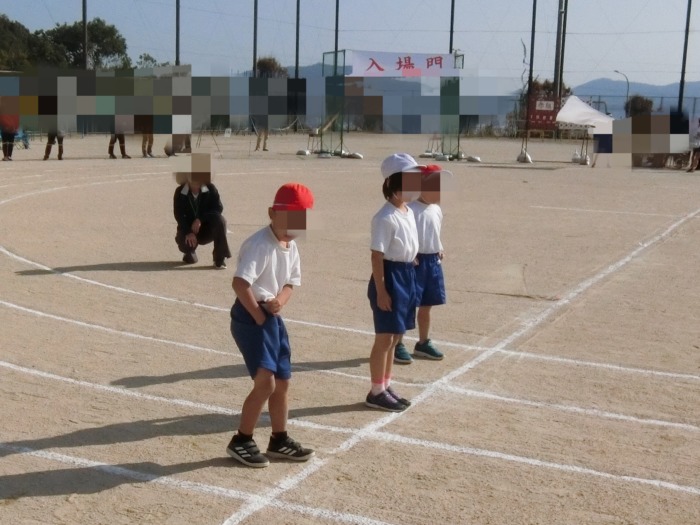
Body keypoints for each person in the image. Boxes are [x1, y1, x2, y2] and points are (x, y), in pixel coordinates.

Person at [226, 182, 316, 468]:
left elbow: (291, 282)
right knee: (265, 383)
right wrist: (259, 315)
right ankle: (242, 439)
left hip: (272, 316)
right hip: (252, 316)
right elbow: (240, 283)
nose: (293, 225)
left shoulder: (291, 245)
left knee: (283, 381)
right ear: (272, 213)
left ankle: (279, 439)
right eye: (288, 216)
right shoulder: (259, 244)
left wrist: (280, 301)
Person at [365, 153, 422, 412]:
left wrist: (412, 259)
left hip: (406, 274)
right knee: (384, 338)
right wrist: (382, 290)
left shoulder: (408, 212)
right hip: (390, 277)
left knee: (395, 337)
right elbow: (377, 256)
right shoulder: (384, 217)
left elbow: (407, 243)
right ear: (395, 183)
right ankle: (376, 390)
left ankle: (386, 385)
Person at [393, 164, 450, 364]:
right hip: (415, 263)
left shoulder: (436, 209)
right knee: (408, 305)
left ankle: (423, 342)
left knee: (426, 305)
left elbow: (434, 232)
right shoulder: (411, 210)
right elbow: (407, 234)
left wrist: (439, 247)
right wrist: (410, 255)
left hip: (432, 261)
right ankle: (397, 344)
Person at [173, 154, 231, 268]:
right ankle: (189, 252)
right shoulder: (180, 192)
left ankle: (219, 259)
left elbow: (218, 208)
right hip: (188, 230)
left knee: (220, 220)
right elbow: (178, 215)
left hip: (206, 229)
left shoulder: (210, 189)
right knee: (188, 253)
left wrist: (200, 219)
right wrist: (188, 232)